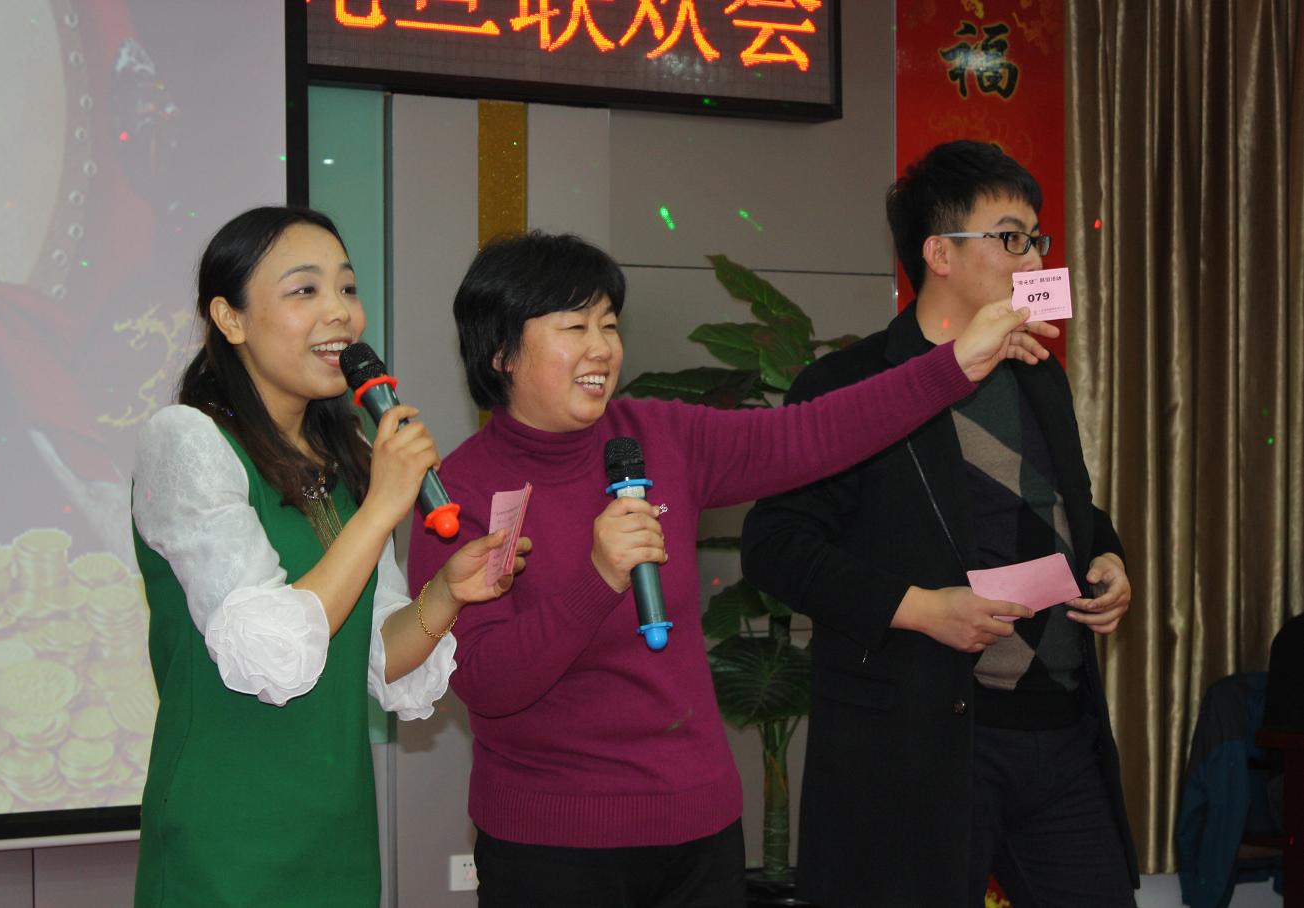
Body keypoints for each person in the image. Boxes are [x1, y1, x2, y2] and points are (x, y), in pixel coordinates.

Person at [406, 229, 1057, 908]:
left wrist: (955, 364)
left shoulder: (656, 436)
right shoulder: (461, 494)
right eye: (575, 327)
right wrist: (598, 578)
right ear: (502, 351)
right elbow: (486, 684)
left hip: (698, 830)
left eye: (609, 324)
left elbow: (816, 432)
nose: (602, 348)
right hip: (552, 846)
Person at [741, 139, 1140, 907]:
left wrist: (1109, 558)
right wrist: (921, 609)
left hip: (1059, 730)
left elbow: (1065, 504)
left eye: (1036, 238)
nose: (1033, 258)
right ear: (939, 253)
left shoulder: (1038, 374)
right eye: (1010, 237)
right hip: (922, 739)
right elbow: (776, 547)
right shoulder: (849, 383)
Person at [130, 207, 527, 907]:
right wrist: (380, 509)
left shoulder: (346, 455)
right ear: (229, 318)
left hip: (336, 831)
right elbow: (272, 656)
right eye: (305, 290)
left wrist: (446, 595)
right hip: (227, 837)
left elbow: (372, 656)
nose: (340, 313)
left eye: (347, 288)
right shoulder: (187, 440)